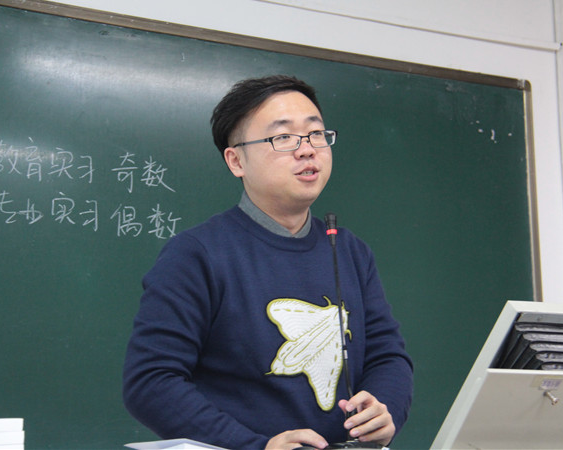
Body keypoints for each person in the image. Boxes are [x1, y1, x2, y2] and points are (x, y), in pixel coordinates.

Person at [123, 75, 414, 450]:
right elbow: (151, 382)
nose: (307, 150)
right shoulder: (196, 254)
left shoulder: (350, 251)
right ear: (236, 161)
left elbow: (387, 356)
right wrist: (255, 446)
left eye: (316, 134)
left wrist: (385, 409)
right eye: (283, 137)